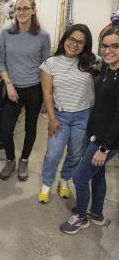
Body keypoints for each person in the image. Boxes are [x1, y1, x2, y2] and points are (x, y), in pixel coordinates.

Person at [60, 26, 119, 234]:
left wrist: (104, 148)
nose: (108, 50)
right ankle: (96, 213)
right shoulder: (106, 68)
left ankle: (81, 217)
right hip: (96, 134)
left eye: (115, 46)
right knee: (97, 174)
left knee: (79, 177)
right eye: (105, 46)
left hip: (105, 141)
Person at [38, 24, 97, 203]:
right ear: (65, 39)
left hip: (84, 116)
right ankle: (46, 184)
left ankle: (64, 180)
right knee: (53, 153)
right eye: (72, 39)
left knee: (76, 154)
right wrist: (52, 118)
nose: (75, 44)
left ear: (85, 45)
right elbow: (47, 93)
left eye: (80, 42)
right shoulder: (50, 63)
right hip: (60, 116)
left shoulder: (91, 62)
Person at [0, 0, 51, 181]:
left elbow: (46, 67)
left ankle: (24, 160)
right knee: (5, 130)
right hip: (13, 88)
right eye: (18, 9)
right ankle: (10, 159)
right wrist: (9, 85)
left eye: (25, 8)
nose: (21, 12)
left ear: (33, 10)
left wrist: (46, 98)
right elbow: (1, 63)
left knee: (30, 128)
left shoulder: (43, 35)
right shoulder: (6, 32)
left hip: (34, 89)